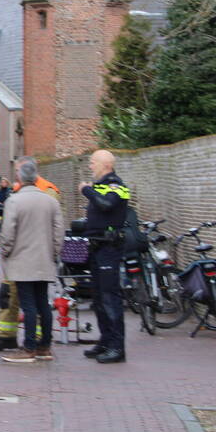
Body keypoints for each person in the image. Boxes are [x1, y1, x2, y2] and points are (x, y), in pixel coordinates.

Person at [0, 158, 64, 363]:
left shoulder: (14, 201)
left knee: (28, 304)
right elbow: (58, 231)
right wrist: (53, 253)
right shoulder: (50, 200)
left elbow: (8, 232)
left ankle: (28, 348)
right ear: (36, 176)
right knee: (43, 302)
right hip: (44, 260)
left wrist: (5, 252)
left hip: (22, 261)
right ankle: (45, 345)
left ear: (19, 177)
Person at [81, 149, 130, 364]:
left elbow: (107, 204)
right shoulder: (100, 186)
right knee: (99, 298)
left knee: (110, 298)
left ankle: (117, 348)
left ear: (105, 165)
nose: (90, 166)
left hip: (109, 249)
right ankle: (105, 340)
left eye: (93, 162)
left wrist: (86, 191)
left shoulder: (116, 186)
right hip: (97, 247)